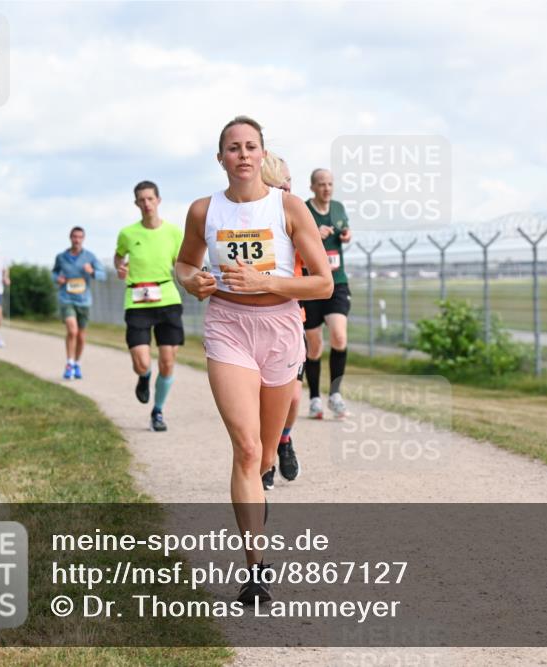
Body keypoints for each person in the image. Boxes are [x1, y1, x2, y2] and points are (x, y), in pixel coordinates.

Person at [175, 116, 332, 604]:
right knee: (245, 450)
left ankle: (264, 479)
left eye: (251, 147)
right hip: (228, 327)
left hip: (280, 328)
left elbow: (322, 283)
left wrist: (269, 282)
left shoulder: (289, 208)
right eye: (233, 148)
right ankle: (256, 570)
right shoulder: (204, 210)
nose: (243, 155)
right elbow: (183, 262)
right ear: (220, 157)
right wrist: (190, 280)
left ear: (263, 155)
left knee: (264, 454)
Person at [115, 181, 184, 432]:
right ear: (136, 204)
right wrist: (120, 267)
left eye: (150, 199)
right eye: (141, 200)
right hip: (137, 300)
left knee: (167, 361)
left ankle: (158, 411)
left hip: (167, 298)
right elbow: (118, 256)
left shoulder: (174, 232)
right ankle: (144, 378)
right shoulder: (127, 233)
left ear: (158, 200)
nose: (146, 204)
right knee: (142, 362)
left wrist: (193, 277)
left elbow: (183, 263)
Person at [260, 152, 300, 489]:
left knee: (292, 398)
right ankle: (264, 459)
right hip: (248, 322)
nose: (289, 186)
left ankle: (282, 441)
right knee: (260, 397)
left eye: (290, 180)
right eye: (282, 180)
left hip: (290, 317)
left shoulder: (294, 211)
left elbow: (317, 268)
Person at [301, 168, 353, 419]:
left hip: (337, 282)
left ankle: (335, 394)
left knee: (339, 337)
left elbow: (346, 231)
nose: (326, 188)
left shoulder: (339, 208)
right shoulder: (304, 210)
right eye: (321, 184)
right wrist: (314, 236)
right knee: (314, 345)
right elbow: (294, 241)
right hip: (310, 284)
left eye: (330, 184)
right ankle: (314, 398)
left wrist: (346, 236)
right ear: (312, 187)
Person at [52, 227, 106, 380]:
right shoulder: (61, 257)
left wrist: (92, 272)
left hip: (83, 300)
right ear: (70, 238)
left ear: (83, 239)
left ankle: (77, 363)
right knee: (72, 330)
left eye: (80, 237)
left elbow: (102, 275)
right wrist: (57, 278)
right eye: (74, 237)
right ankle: (69, 363)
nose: (77, 240)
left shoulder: (90, 257)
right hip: (66, 298)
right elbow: (54, 272)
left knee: (81, 336)